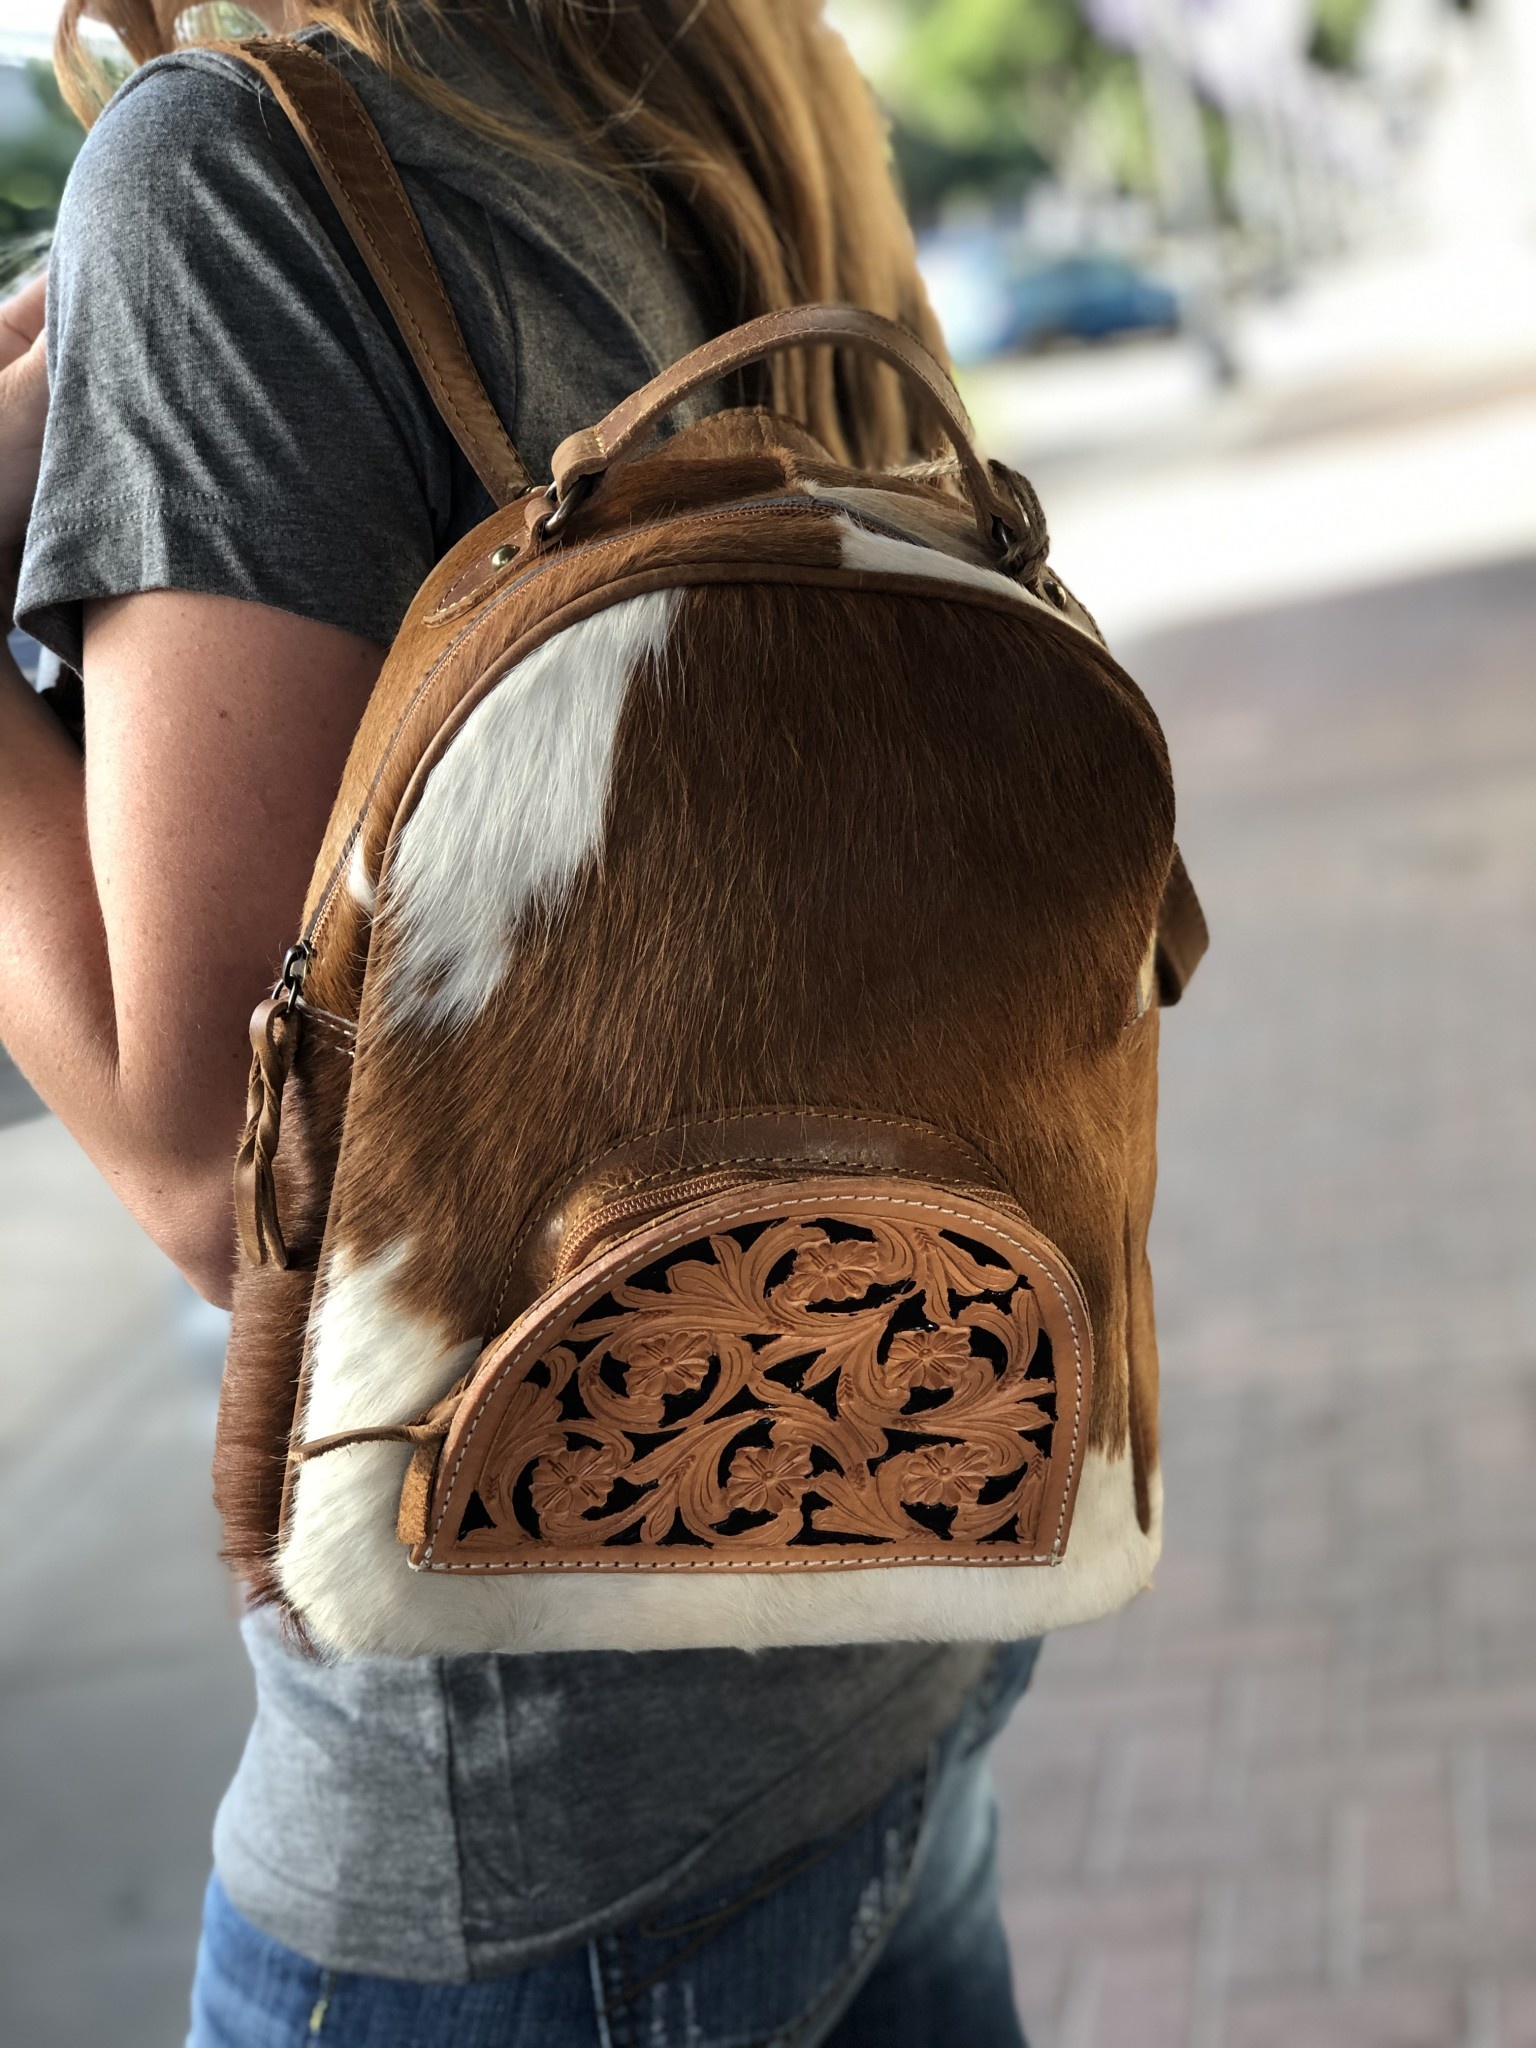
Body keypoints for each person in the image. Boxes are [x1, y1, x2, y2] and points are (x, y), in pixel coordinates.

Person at [0, 4, 1039, 2041]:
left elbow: (236, 1173)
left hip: (540, 1820)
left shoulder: (236, 172)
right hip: (900, 1584)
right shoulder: (728, 99)